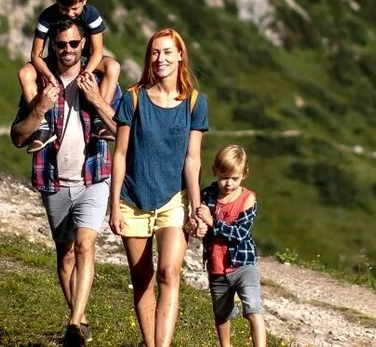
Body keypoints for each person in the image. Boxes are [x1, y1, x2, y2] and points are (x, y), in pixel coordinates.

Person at [10, 19, 125, 346]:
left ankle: (74, 325)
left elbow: (122, 132)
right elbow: (18, 137)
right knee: (66, 255)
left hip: (94, 177)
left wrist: (97, 100)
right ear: (52, 48)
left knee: (86, 244)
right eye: (61, 45)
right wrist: (40, 109)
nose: (68, 50)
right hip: (53, 180)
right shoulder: (41, 84)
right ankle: (81, 316)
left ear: (84, 45)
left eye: (74, 44)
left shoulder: (100, 80)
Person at [109, 28, 209, 347]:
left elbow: (192, 160)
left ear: (181, 56)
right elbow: (120, 155)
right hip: (133, 200)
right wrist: (113, 206)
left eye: (168, 52)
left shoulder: (195, 103)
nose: (161, 58)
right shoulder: (133, 97)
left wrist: (196, 204)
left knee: (168, 272)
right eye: (155, 52)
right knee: (143, 280)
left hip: (173, 202)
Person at [19, 0, 121, 154]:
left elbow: (97, 51)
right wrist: (49, 76)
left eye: (75, 8)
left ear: (85, 0)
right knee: (24, 73)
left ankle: (99, 119)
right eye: (64, 9)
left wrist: (87, 71)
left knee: (113, 66)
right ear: (56, 2)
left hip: (87, 57)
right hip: (55, 57)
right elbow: (36, 54)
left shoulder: (91, 14)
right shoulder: (48, 16)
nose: (70, 14)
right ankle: (42, 126)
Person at [198, 145, 266, 347]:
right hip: (216, 267)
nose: (228, 183)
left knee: (253, 308)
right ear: (215, 171)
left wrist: (212, 222)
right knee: (221, 313)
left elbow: (239, 233)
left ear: (244, 175)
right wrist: (197, 225)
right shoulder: (206, 196)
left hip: (244, 264)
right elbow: (197, 218)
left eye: (234, 178)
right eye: (224, 177)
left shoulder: (248, 199)